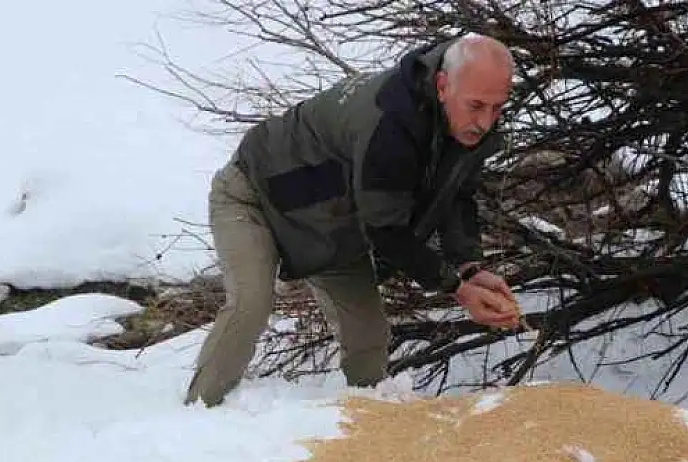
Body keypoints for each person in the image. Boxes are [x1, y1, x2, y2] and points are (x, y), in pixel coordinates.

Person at [184, 34, 521, 408]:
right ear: (443, 85)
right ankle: (197, 418)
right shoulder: (389, 121)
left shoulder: (465, 124)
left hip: (330, 226)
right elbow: (387, 231)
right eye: (476, 106)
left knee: (369, 337)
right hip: (253, 197)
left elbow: (457, 196)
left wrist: (469, 267)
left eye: (497, 108)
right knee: (250, 306)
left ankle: (370, 436)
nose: (486, 121)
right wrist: (455, 287)